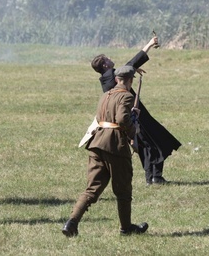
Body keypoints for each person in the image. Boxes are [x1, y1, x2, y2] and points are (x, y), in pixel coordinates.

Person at [62, 66, 149, 237]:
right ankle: (126, 228)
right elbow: (122, 119)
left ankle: (71, 223)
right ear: (130, 80)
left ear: (117, 80)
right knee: (123, 190)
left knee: (92, 189)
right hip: (115, 146)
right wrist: (134, 129)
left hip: (97, 143)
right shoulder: (126, 95)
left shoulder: (105, 95)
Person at [90, 36, 181, 185]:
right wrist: (150, 44)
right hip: (134, 117)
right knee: (156, 142)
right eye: (107, 59)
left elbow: (128, 67)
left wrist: (131, 69)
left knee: (146, 146)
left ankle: (152, 178)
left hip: (135, 116)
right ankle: (155, 177)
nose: (110, 59)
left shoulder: (110, 77)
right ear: (105, 66)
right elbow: (130, 63)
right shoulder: (109, 78)